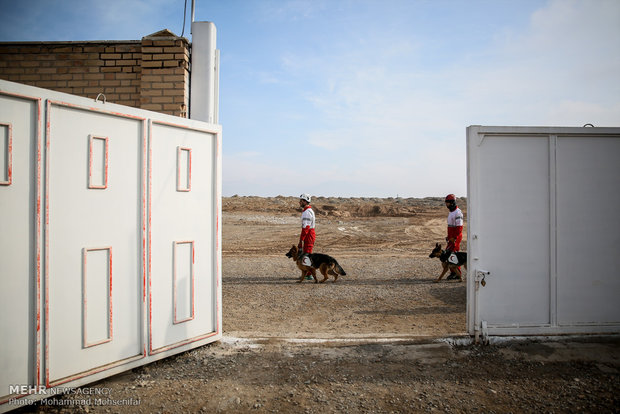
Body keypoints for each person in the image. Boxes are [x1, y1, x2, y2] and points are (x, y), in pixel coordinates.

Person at [444, 194, 464, 280]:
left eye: (447, 203)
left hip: (456, 237)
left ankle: (456, 274)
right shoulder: (452, 212)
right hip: (452, 236)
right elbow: (450, 226)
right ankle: (453, 272)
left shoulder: (458, 212)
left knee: (453, 254)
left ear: (452, 202)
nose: (446, 204)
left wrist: (454, 237)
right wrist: (449, 237)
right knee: (449, 253)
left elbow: (459, 227)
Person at [298, 193, 316, 279]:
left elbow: (306, 228)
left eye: (301, 201)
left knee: (307, 255)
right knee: (306, 254)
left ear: (305, 201)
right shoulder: (307, 211)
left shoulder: (307, 212)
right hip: (309, 234)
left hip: (308, 235)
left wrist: (301, 240)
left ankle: (309, 275)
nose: (299, 202)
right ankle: (307, 274)